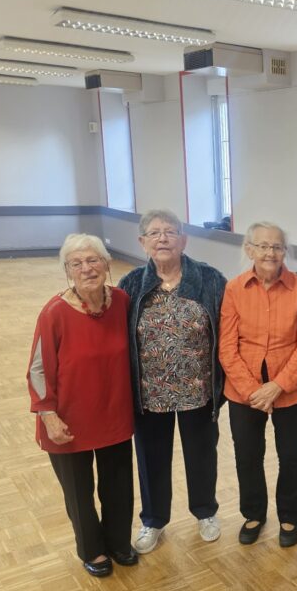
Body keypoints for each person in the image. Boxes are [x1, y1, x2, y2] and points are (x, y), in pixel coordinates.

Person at [118, 210, 227, 553]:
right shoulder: (132, 284)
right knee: (151, 460)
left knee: (202, 454)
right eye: (154, 233)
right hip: (149, 393)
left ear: (184, 239)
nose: (162, 238)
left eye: (170, 232)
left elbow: (227, 332)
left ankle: (205, 512)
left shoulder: (209, 280)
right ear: (142, 242)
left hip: (198, 389)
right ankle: (153, 520)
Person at [27, 234, 136, 577]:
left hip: (114, 412)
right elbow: (38, 369)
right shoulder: (55, 312)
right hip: (68, 420)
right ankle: (92, 550)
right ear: (67, 271)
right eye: (77, 263)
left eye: (94, 260)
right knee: (79, 492)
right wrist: (48, 415)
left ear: (107, 264)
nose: (87, 268)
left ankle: (119, 542)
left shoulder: (121, 301)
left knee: (118, 486)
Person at [219, 222, 297, 548]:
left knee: (291, 454)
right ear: (249, 250)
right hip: (242, 389)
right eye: (262, 246)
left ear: (284, 252)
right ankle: (253, 513)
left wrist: (276, 386)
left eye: (276, 247)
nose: (270, 253)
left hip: (291, 388)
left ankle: (290, 515)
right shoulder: (234, 289)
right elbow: (227, 348)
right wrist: (252, 391)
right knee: (247, 454)